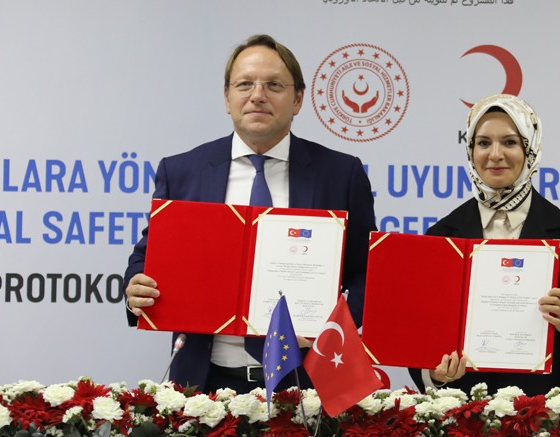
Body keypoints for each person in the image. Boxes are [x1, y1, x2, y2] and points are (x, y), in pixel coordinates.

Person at [123, 34, 376, 394]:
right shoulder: (182, 172)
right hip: (202, 385)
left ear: (298, 99)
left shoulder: (339, 174)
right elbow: (146, 257)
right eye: (244, 84)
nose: (258, 95)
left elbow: (366, 271)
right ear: (227, 98)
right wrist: (136, 286)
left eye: (274, 85)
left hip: (307, 383)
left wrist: (333, 327)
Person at [410, 94, 560, 395]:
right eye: (483, 143)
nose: (495, 155)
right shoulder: (441, 237)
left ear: (530, 149)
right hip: (464, 406)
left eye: (509, 142)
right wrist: (435, 374)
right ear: (470, 150)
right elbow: (421, 333)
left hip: (546, 406)